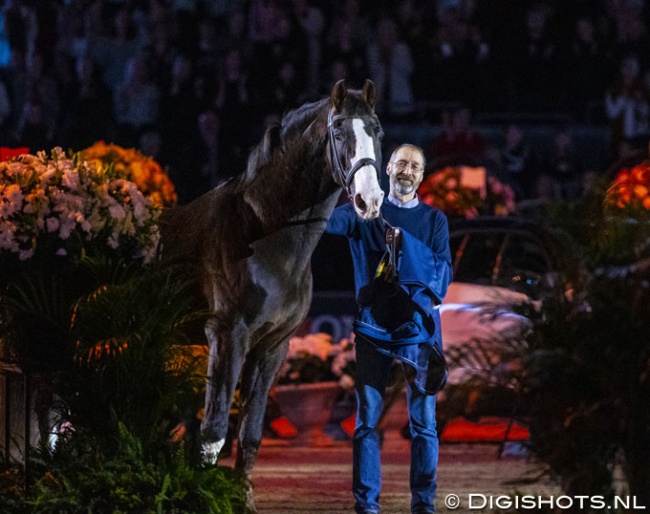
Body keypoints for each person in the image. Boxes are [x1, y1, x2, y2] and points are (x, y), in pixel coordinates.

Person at [325, 143, 452, 514]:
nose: (406, 171)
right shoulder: (364, 213)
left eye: (414, 166)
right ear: (386, 168)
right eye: (400, 163)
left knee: (424, 425)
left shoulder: (434, 221)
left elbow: (442, 276)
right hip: (373, 331)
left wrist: (403, 243)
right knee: (366, 423)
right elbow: (324, 222)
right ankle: (366, 507)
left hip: (418, 333)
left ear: (422, 175)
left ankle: (423, 506)